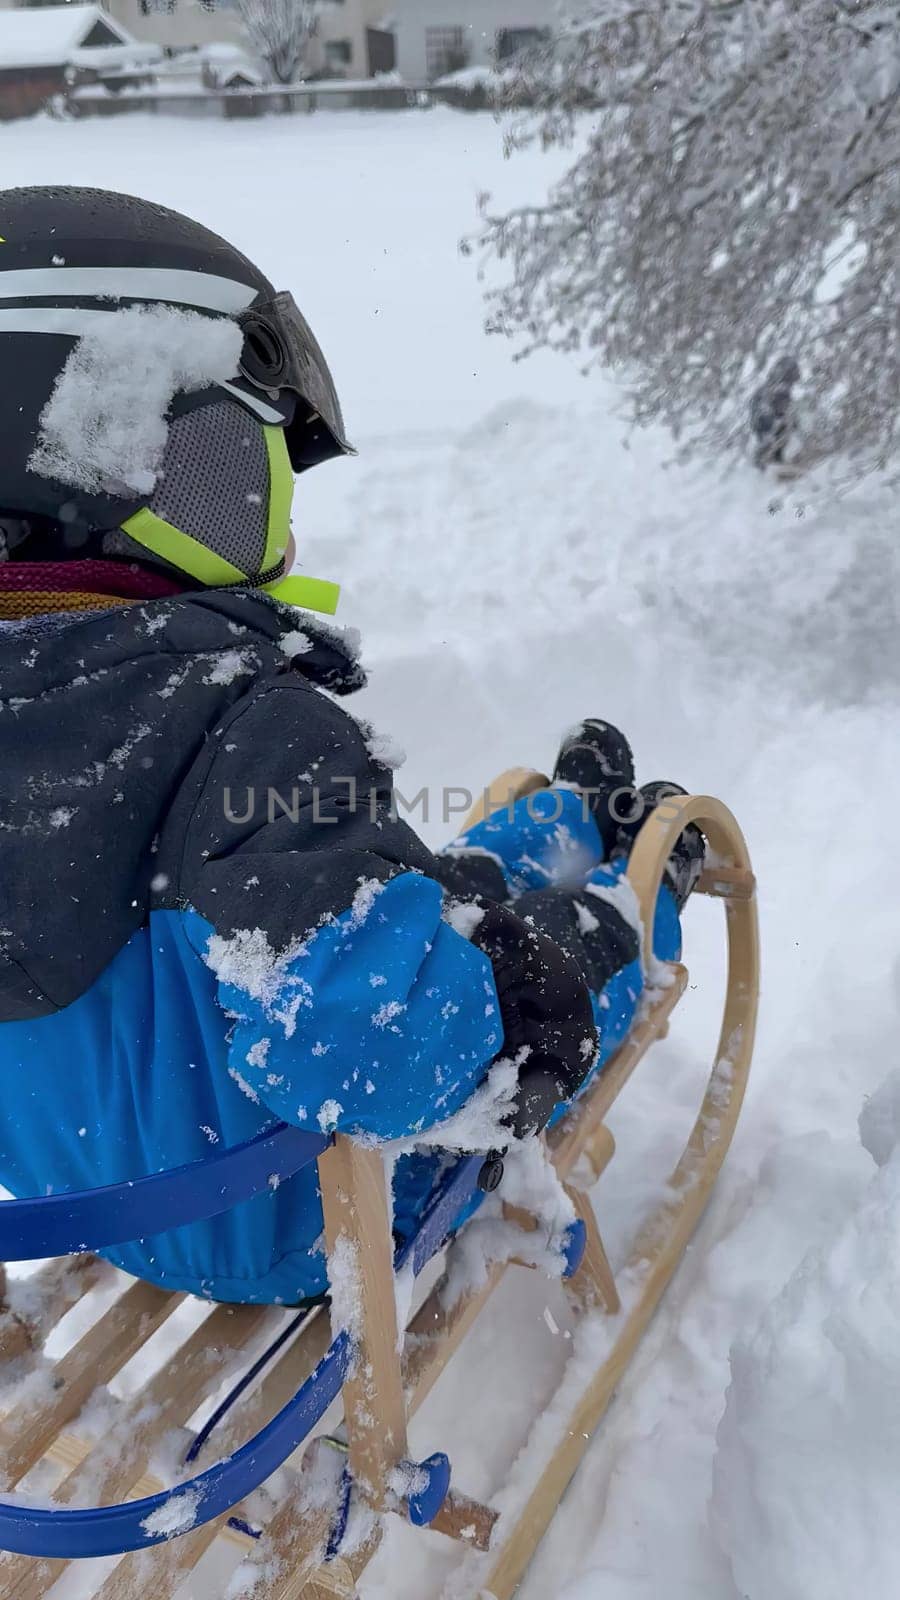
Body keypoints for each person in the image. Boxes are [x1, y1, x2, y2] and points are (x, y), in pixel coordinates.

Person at [0, 187, 703, 1305]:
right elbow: (387, 1062)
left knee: (407, 894)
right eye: (245, 469)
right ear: (106, 459)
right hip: (302, 1224)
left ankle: (561, 816)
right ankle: (634, 882)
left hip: (77, 1200)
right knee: (546, 955)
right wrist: (537, 981)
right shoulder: (243, 728)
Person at [749, 356, 800, 467]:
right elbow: (781, 411)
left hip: (761, 420)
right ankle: (772, 459)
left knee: (783, 428)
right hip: (765, 421)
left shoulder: (772, 384)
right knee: (782, 430)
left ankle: (772, 457)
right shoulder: (780, 388)